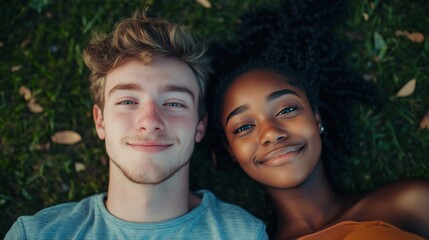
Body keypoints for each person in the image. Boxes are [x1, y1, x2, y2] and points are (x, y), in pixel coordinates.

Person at [5, 11, 268, 239]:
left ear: (200, 125)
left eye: (174, 103)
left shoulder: (243, 235)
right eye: (128, 101)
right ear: (100, 121)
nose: (150, 122)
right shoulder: (37, 234)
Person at [210, 51, 429, 239]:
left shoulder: (409, 203)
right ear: (231, 150)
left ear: (316, 118)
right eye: (243, 127)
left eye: (286, 110)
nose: (271, 133)